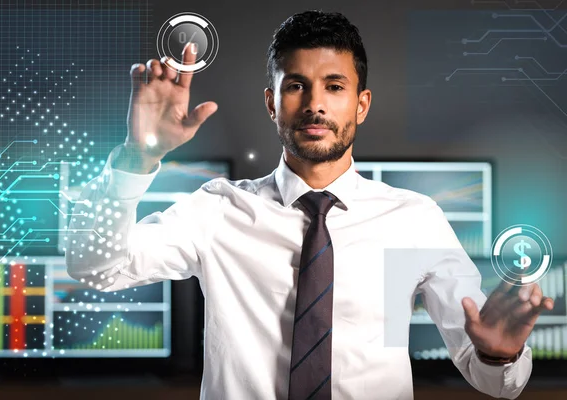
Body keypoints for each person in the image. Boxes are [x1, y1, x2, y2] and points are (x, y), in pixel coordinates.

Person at [65, 10, 554, 400]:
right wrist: (136, 156)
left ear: (360, 104)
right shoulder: (217, 211)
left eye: (334, 87)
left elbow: (493, 380)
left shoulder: (414, 220)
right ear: (272, 103)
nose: (315, 104)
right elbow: (96, 270)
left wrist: (498, 356)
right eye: (296, 85)